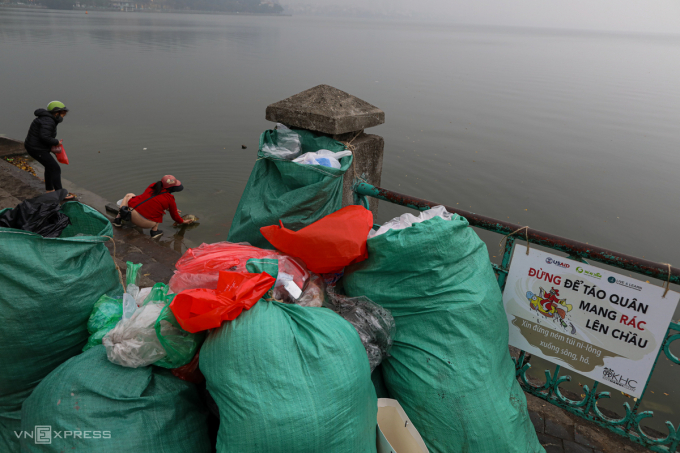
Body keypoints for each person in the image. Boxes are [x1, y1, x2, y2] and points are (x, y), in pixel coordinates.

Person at [112, 175, 193, 239]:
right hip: (145, 224)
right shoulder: (170, 199)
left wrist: (169, 208)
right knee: (160, 212)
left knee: (129, 195)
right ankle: (154, 232)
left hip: (128, 214)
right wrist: (183, 221)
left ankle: (117, 219)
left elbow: (147, 200)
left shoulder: (152, 186)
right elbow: (175, 217)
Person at [24, 101, 75, 200]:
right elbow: (44, 137)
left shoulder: (46, 119)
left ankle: (49, 190)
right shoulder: (48, 121)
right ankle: (60, 193)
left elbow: (43, 136)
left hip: (36, 147)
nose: (63, 117)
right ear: (56, 113)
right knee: (55, 168)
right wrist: (56, 142)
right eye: (62, 114)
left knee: (49, 167)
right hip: (36, 149)